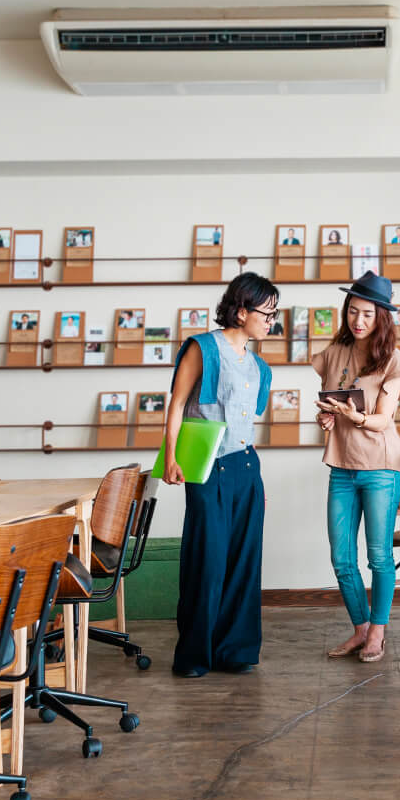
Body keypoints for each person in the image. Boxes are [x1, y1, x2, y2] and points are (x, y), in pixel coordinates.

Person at [163, 271, 279, 678]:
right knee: (206, 560)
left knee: (244, 561)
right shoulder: (203, 348)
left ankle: (236, 651)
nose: (271, 321)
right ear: (242, 310)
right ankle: (194, 654)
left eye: (274, 314)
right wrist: (170, 457)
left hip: (246, 468)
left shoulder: (260, 366)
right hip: (206, 466)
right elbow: (177, 404)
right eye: (267, 313)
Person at [311, 271, 400, 662]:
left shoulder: (392, 360)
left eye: (367, 315)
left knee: (378, 556)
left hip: (380, 468)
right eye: (353, 312)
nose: (358, 321)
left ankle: (378, 631)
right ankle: (359, 629)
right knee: (341, 557)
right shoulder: (335, 352)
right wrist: (328, 418)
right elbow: (329, 407)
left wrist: (352, 416)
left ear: (382, 318)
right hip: (341, 466)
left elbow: (381, 420)